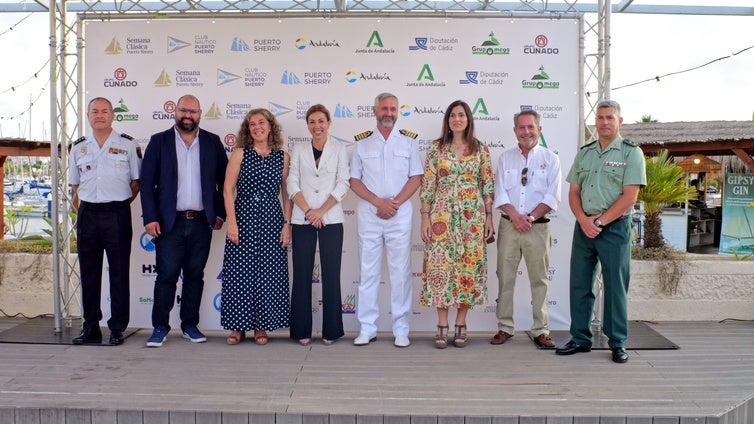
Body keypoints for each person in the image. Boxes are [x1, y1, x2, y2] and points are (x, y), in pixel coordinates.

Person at [556, 99, 646, 363]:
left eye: (610, 117)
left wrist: (599, 222)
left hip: (614, 227)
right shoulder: (585, 153)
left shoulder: (631, 153)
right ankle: (581, 339)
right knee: (579, 283)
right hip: (584, 226)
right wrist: (584, 220)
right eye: (600, 117)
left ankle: (617, 342)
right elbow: (573, 191)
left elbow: (630, 197)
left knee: (615, 286)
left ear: (620, 121)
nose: (604, 122)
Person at [140, 94, 228, 347]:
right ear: (175, 112)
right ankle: (159, 327)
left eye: (193, 111)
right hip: (169, 223)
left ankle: (190, 324)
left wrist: (219, 213)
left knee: (194, 276)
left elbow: (225, 181)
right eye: (183, 110)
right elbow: (147, 184)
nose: (187, 115)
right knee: (166, 276)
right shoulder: (159, 142)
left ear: (200, 114)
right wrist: (150, 217)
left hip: (202, 222)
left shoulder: (212, 142)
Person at [419, 100, 494, 349]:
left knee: (467, 269)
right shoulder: (436, 150)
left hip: (472, 219)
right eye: (453, 115)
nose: (457, 119)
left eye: (461, 115)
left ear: (469, 119)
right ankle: (442, 324)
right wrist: (425, 217)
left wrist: (489, 218)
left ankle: (461, 323)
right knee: (440, 267)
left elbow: (487, 187)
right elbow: (428, 186)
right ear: (447, 120)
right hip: (441, 218)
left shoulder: (481, 150)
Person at [350, 92, 423, 348]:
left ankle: (401, 328)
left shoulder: (409, 143)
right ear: (375, 110)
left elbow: (416, 177)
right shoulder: (361, 143)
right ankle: (367, 328)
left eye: (393, 108)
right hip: (370, 215)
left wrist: (393, 204)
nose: (388, 113)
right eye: (384, 108)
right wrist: (378, 202)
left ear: (398, 111)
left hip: (399, 215)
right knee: (368, 272)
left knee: (400, 272)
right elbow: (354, 181)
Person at [69, 97, 141, 346]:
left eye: (104, 111)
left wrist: (117, 205)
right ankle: (90, 327)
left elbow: (135, 183)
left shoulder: (128, 145)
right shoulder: (78, 147)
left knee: (119, 273)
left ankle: (117, 328)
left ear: (113, 115)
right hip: (87, 214)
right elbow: (75, 186)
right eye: (94, 111)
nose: (99, 115)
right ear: (88, 116)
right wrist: (83, 211)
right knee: (88, 274)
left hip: (117, 214)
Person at [490, 109, 562, 348]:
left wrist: (529, 217)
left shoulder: (551, 159)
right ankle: (505, 327)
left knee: (539, 279)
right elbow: (499, 193)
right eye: (521, 128)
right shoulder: (505, 158)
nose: (526, 132)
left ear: (539, 129)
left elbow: (553, 197)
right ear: (515, 131)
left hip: (538, 228)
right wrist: (516, 217)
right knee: (505, 277)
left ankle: (541, 330)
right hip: (509, 226)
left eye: (531, 127)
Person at [222, 108, 292, 346]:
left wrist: (286, 225)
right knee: (239, 274)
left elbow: (287, 194)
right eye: (252, 124)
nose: (257, 127)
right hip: (243, 219)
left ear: (270, 126)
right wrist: (232, 222)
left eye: (261, 122)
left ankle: (262, 326)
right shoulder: (240, 153)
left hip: (272, 221)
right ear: (248, 129)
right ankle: (237, 328)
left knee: (268, 274)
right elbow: (227, 189)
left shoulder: (283, 157)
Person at [287, 104, 349, 346]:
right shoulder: (299, 149)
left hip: (331, 219)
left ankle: (331, 330)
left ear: (329, 122)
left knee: (331, 274)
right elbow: (292, 182)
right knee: (301, 275)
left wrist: (320, 211)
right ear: (308, 125)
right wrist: (308, 211)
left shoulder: (340, 149)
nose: (317, 126)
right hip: (302, 219)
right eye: (312, 121)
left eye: (321, 121)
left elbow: (343, 183)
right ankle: (301, 329)